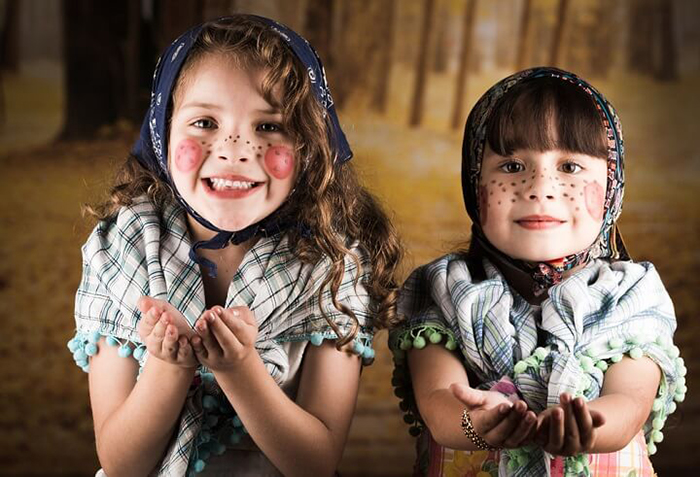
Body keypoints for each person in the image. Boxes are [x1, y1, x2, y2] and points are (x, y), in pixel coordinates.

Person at [66, 15, 402, 477]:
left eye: (268, 127)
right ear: (162, 133)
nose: (233, 149)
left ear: (309, 145)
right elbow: (121, 464)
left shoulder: (332, 266)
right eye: (205, 121)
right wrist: (168, 367)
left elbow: (316, 463)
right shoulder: (120, 251)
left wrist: (240, 370)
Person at [389, 67, 686, 476]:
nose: (540, 186)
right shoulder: (443, 289)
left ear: (612, 184)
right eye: (512, 166)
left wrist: (587, 426)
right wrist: (478, 423)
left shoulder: (631, 294)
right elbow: (440, 401)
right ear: (476, 184)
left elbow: (629, 404)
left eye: (570, 167)